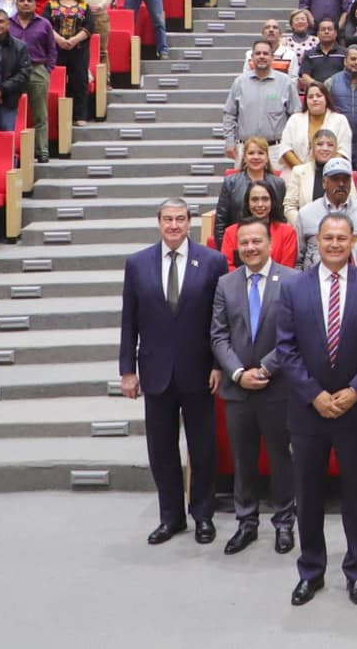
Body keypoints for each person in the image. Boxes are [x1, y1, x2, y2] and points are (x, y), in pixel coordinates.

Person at [276, 210, 357, 608]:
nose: (336, 244)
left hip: (354, 410)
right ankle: (311, 571)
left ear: (353, 241)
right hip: (308, 411)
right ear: (316, 242)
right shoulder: (294, 287)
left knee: (356, 495)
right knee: (308, 496)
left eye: (343, 238)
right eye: (328, 238)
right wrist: (314, 394)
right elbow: (285, 348)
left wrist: (356, 390)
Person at [118, 198, 223, 547]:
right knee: (161, 449)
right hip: (156, 371)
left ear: (190, 222)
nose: (174, 225)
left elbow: (220, 320)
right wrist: (127, 370)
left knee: (203, 448)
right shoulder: (137, 264)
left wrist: (218, 365)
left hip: (200, 371)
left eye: (180, 219)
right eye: (168, 219)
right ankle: (171, 517)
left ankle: (203, 515)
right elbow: (129, 320)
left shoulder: (212, 261)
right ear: (159, 222)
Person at [210, 219, 298, 556]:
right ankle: (246, 522)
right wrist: (237, 373)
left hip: (278, 388)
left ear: (269, 243)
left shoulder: (291, 281)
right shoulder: (226, 283)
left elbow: (293, 334)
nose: (250, 247)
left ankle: (285, 522)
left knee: (280, 459)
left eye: (256, 241)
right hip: (238, 390)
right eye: (244, 242)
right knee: (242, 460)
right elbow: (218, 335)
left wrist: (264, 369)